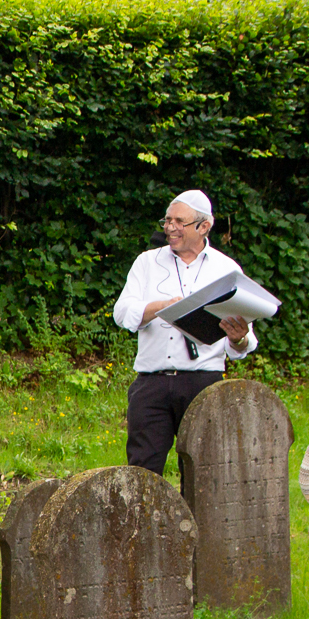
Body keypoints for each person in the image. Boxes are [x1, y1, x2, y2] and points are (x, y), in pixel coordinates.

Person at [111, 189, 257, 477]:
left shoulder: (227, 269)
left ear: (204, 226)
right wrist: (161, 307)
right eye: (167, 221)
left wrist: (238, 337)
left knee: (205, 471)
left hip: (203, 382)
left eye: (180, 221)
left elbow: (243, 344)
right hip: (152, 384)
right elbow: (122, 313)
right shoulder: (147, 262)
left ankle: (198, 523)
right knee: (142, 471)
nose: (170, 228)